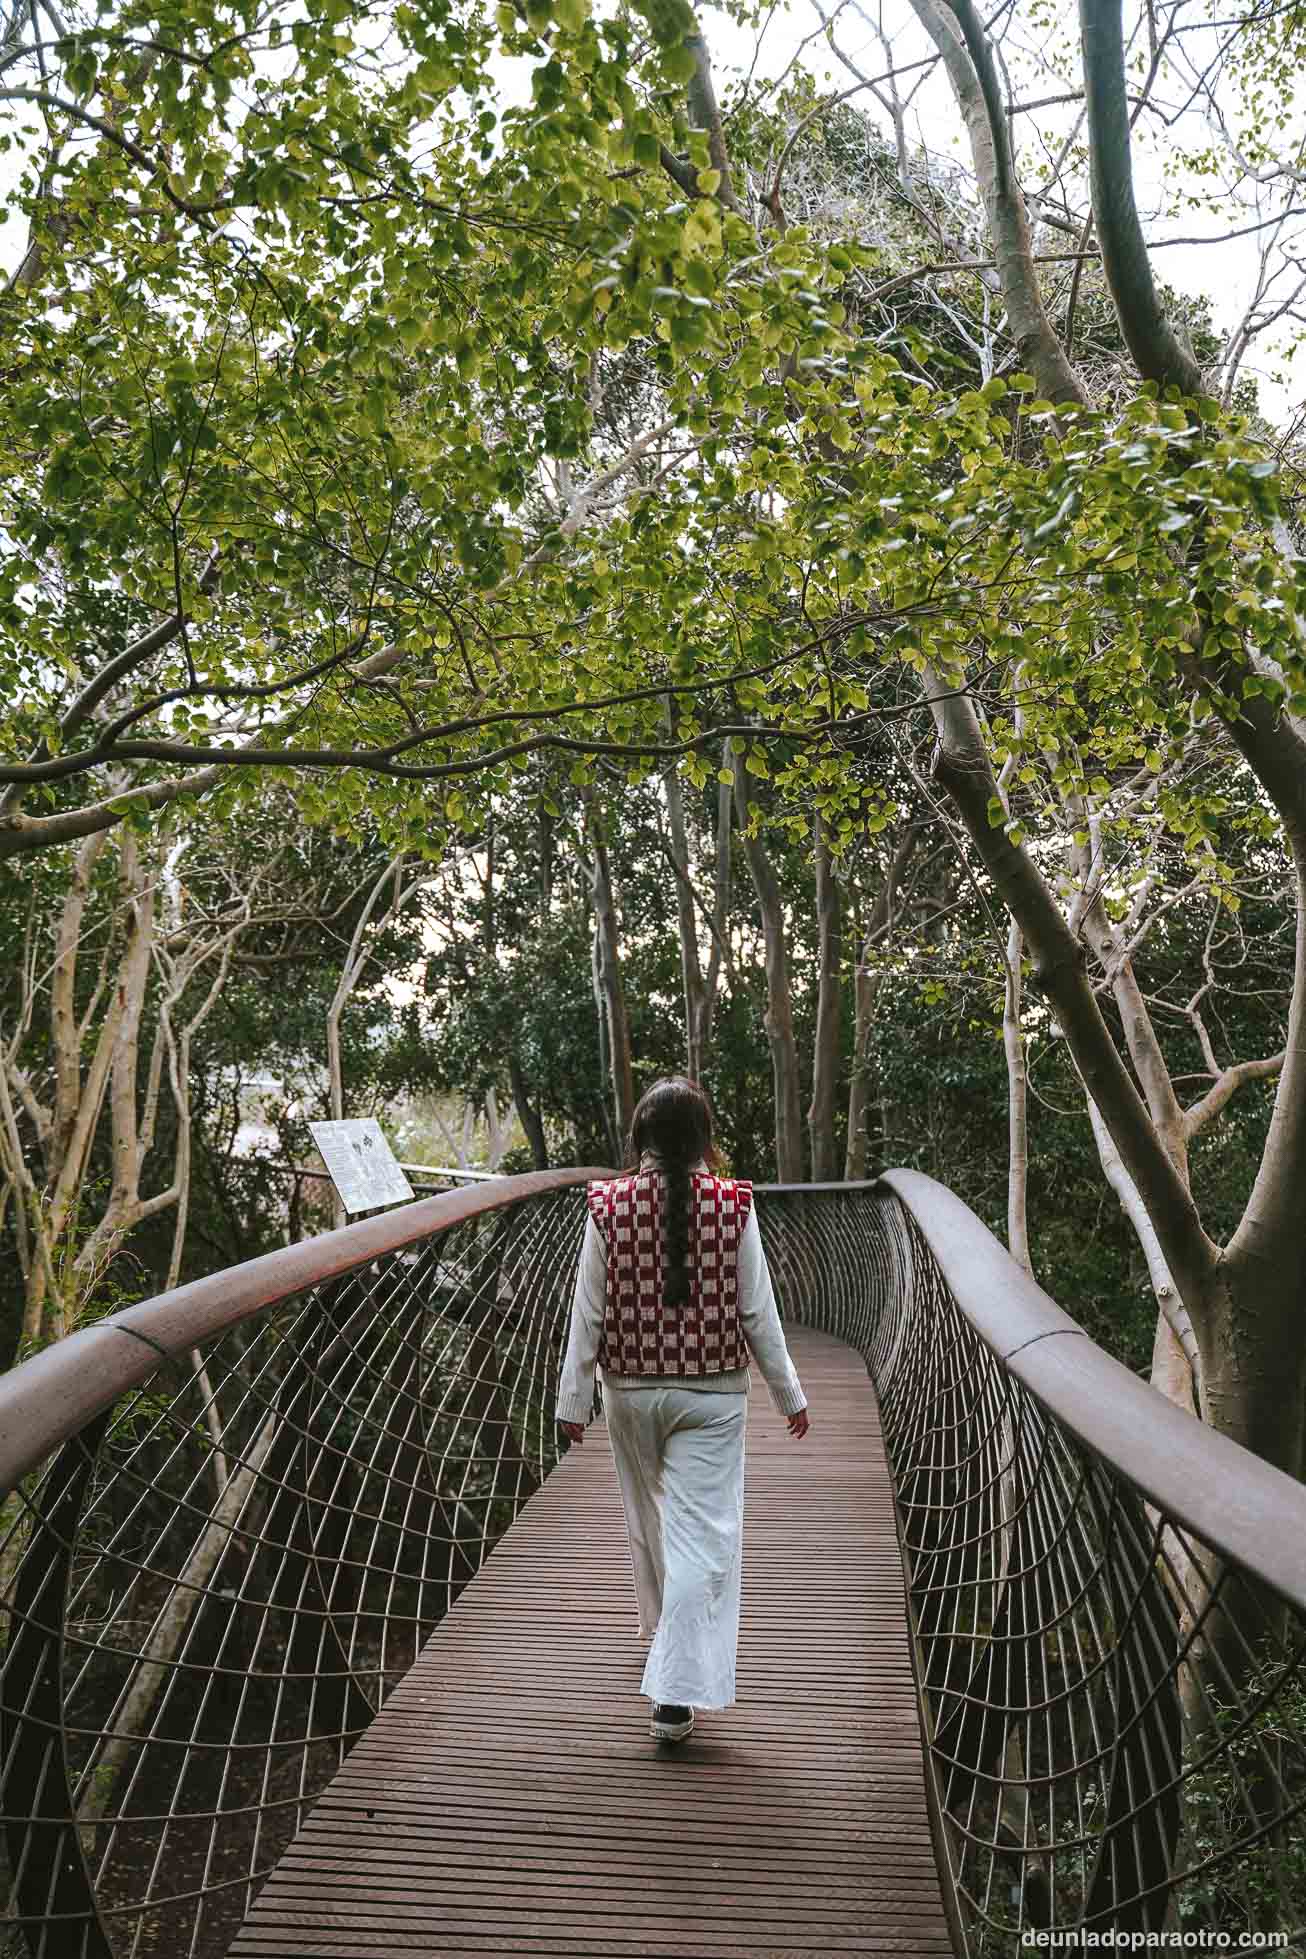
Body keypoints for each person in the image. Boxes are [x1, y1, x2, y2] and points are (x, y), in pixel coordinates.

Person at [555, 1076, 810, 1744]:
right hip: (713, 1394)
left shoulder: (605, 1204)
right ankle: (674, 1692)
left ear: (640, 1139)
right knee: (702, 1538)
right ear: (704, 1140)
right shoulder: (733, 1203)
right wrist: (790, 1393)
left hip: (630, 1393)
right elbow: (756, 1309)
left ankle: (666, 1647)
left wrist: (572, 1401)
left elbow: (588, 1313)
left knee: (651, 1524)